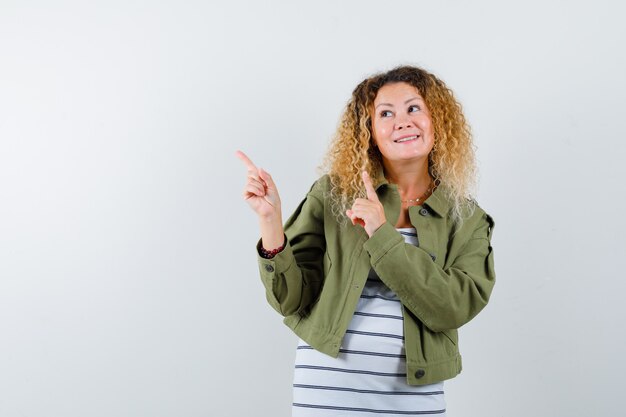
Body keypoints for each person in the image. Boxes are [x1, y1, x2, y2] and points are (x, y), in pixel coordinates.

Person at [236, 65, 496, 417]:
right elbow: (290, 299)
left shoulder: (466, 218)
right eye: (385, 114)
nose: (402, 121)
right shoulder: (333, 194)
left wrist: (383, 235)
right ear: (370, 132)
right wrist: (270, 222)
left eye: (413, 108)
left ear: (438, 119)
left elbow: (453, 307)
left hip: (412, 400)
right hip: (326, 392)